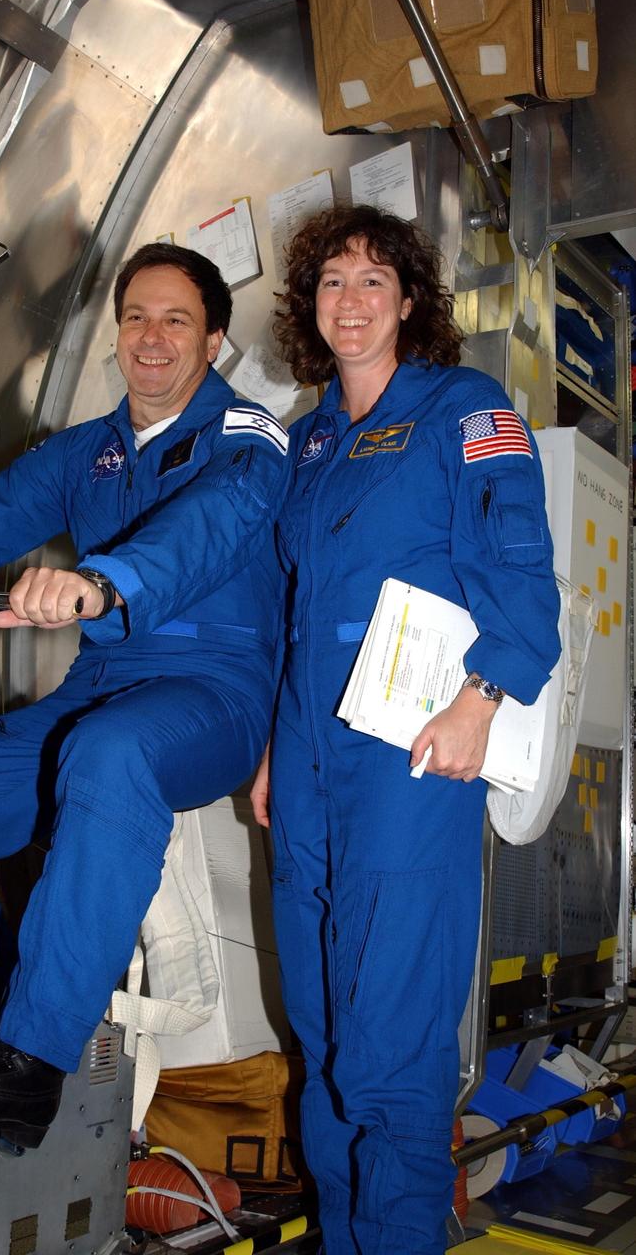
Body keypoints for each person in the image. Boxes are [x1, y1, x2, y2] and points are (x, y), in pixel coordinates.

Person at [0, 242, 291, 1149]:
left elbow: (207, 527)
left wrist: (102, 585)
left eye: (176, 320)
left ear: (213, 342)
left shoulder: (248, 437)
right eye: (135, 317)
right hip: (97, 691)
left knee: (111, 752)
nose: (151, 337)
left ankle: (31, 1063)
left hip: (212, 692)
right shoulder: (87, 453)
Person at [251, 205, 560, 1255]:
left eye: (373, 280)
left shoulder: (464, 408)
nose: (351, 300)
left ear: (410, 300)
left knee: (390, 1040)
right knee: (323, 1034)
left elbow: (521, 566)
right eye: (332, 281)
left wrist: (485, 696)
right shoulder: (309, 439)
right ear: (310, 305)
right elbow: (293, 608)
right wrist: (271, 744)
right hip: (306, 751)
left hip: (410, 746)